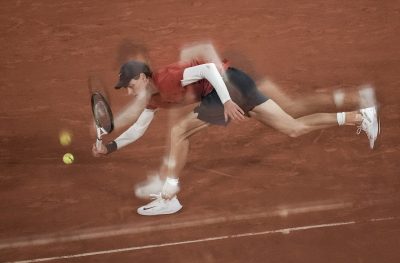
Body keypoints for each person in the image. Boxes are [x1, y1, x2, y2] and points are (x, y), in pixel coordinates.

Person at [92, 42, 379, 216]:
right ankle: (360, 117)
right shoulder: (153, 97)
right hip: (237, 83)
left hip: (226, 88)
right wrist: (111, 146)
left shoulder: (167, 78)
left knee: (180, 132)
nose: (129, 92)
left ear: (142, 77)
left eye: (130, 85)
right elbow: (139, 129)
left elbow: (208, 69)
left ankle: (169, 198)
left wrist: (227, 101)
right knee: (292, 127)